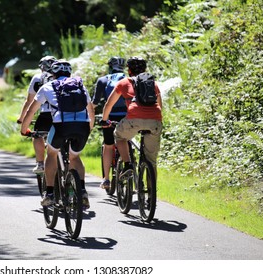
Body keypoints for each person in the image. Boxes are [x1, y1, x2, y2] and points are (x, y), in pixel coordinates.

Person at [21, 60, 94, 208]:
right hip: (82, 126)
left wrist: (24, 129)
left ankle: (49, 193)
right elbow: (91, 109)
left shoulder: (47, 86)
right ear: (69, 73)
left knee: (52, 153)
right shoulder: (80, 85)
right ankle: (82, 190)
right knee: (75, 157)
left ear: (53, 74)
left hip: (61, 126)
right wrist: (89, 127)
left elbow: (32, 110)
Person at [101, 56, 163, 178]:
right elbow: (160, 105)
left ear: (128, 70)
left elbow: (109, 104)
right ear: (145, 69)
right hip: (155, 120)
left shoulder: (124, 83)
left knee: (119, 136)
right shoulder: (153, 84)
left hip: (134, 119)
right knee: (151, 160)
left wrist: (104, 120)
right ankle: (151, 192)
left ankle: (128, 164)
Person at [91, 56, 127, 189]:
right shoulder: (128, 80)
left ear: (110, 67)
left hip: (110, 117)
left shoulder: (103, 80)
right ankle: (131, 164)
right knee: (126, 140)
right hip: (128, 117)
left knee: (108, 146)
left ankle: (106, 179)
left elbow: (94, 103)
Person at [17, 56, 57, 173]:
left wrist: (21, 118)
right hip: (64, 113)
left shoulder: (38, 78)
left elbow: (29, 101)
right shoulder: (62, 78)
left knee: (37, 135)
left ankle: (40, 164)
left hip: (46, 114)